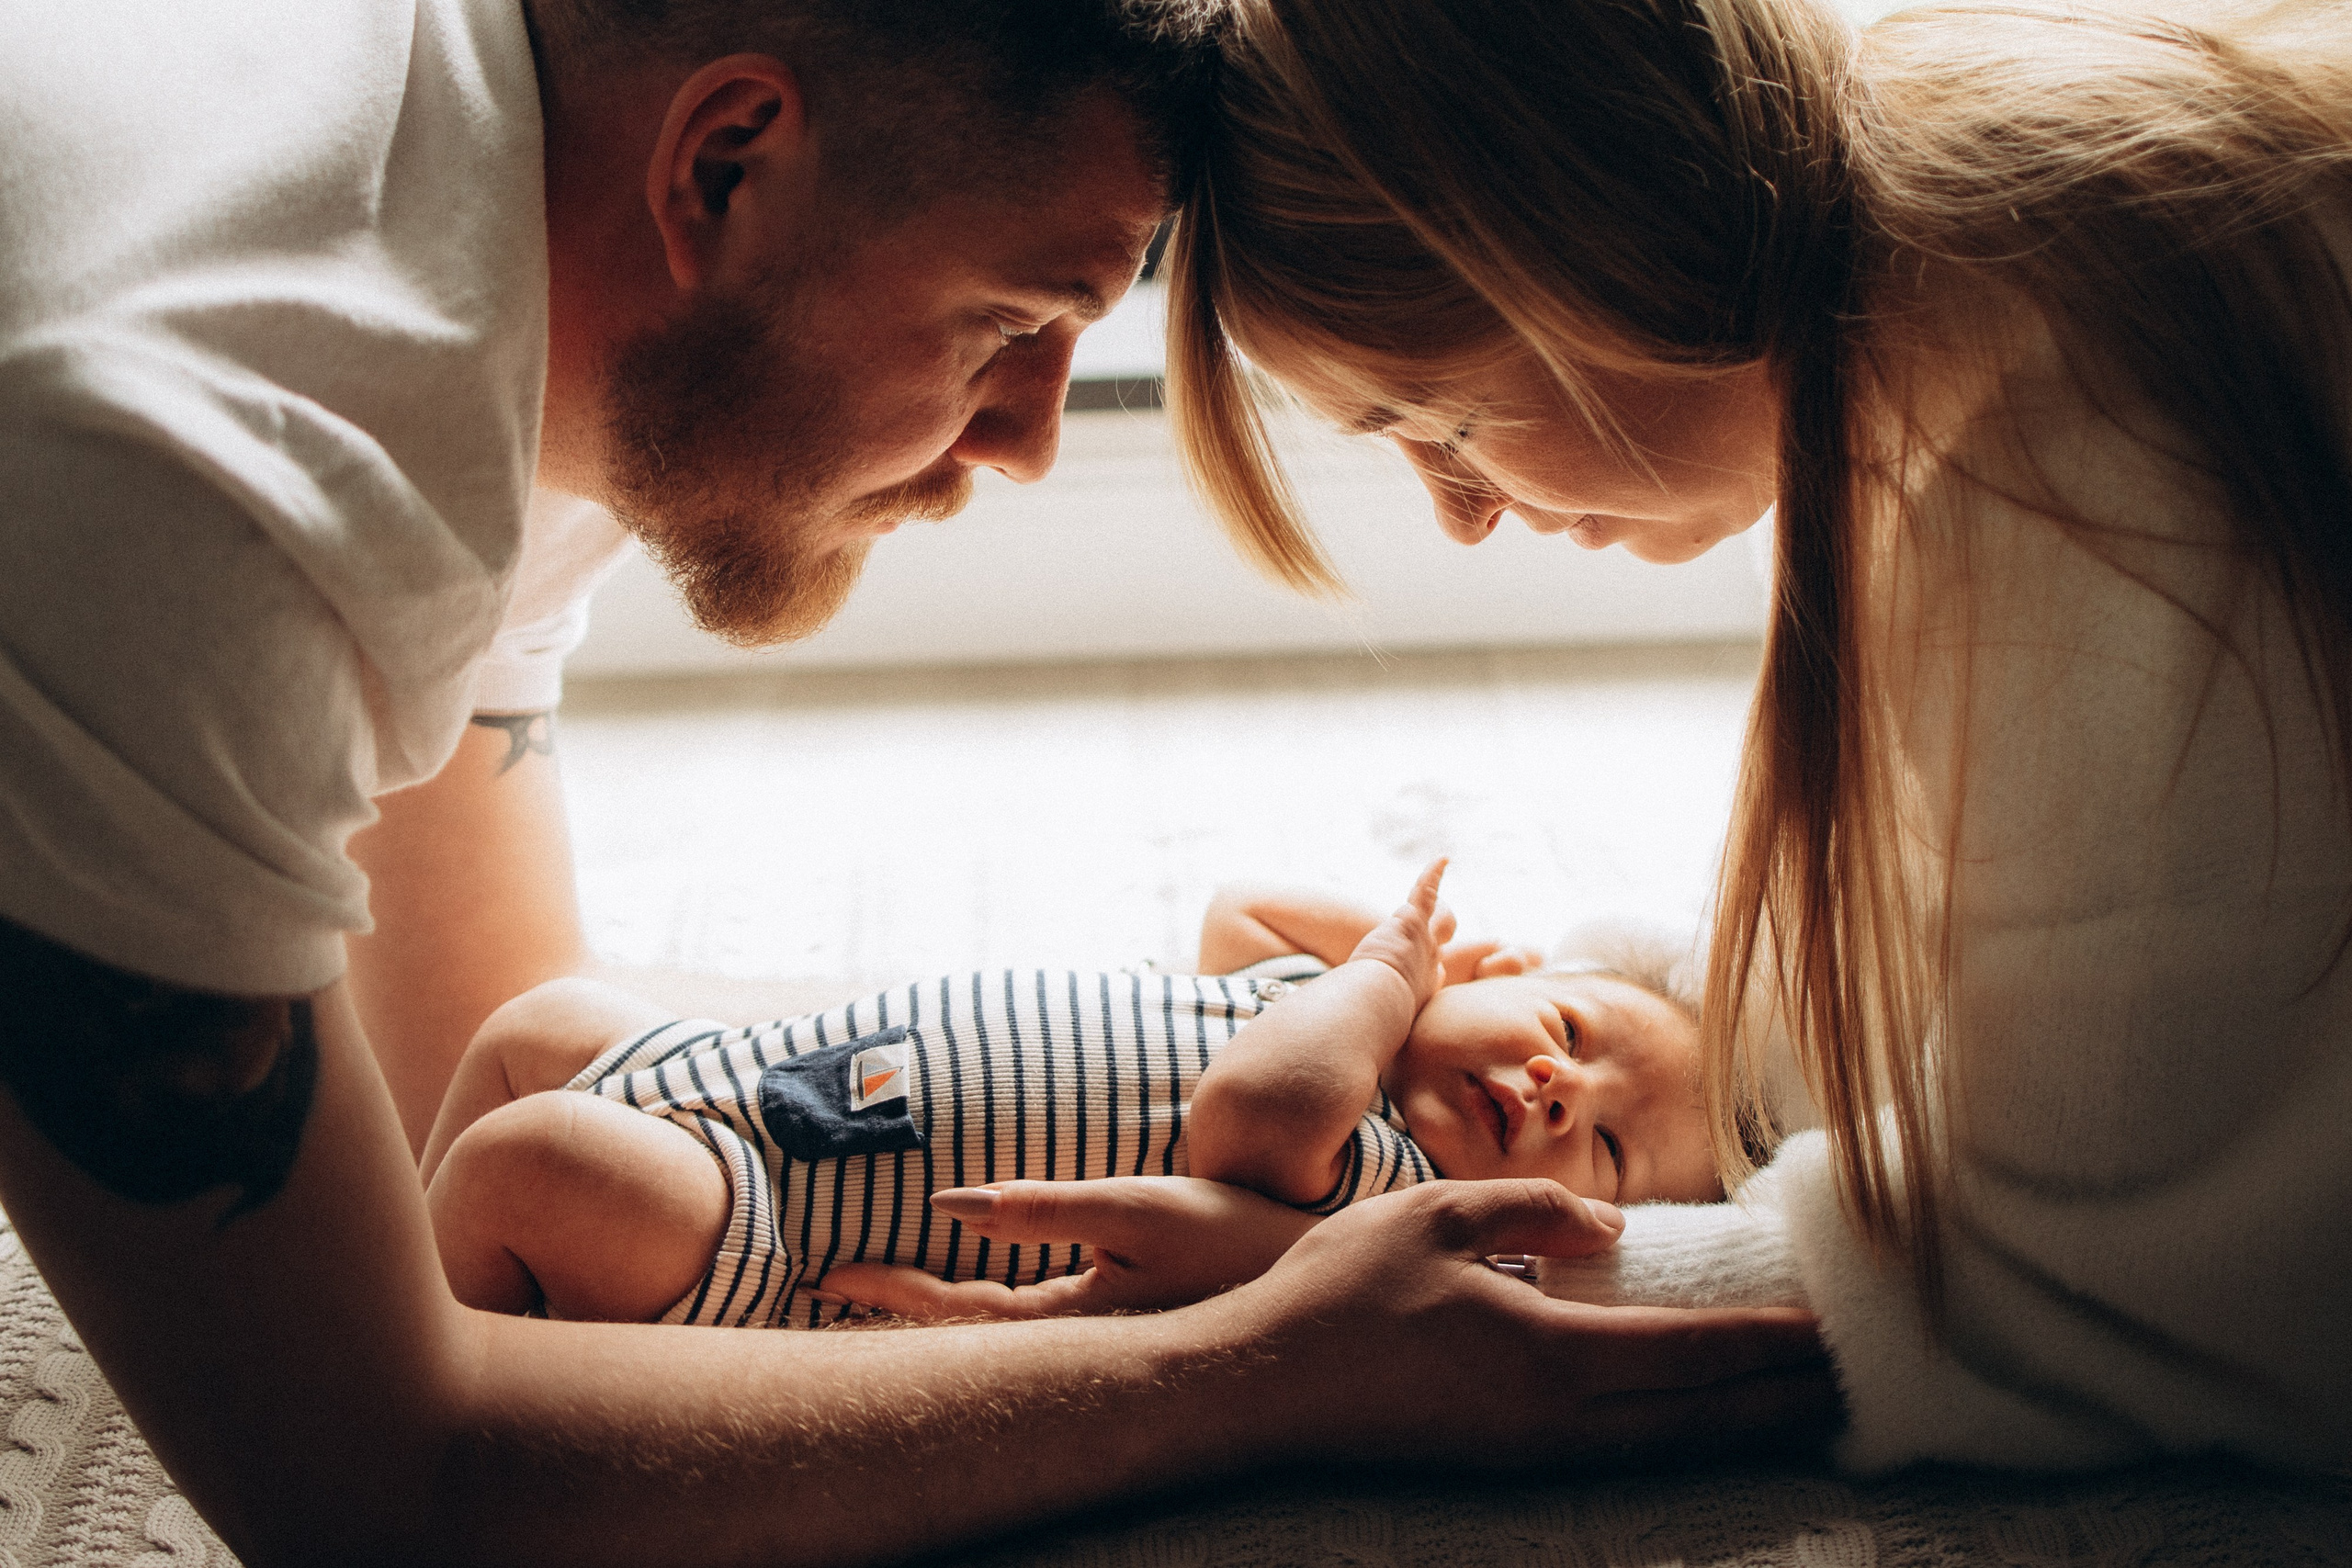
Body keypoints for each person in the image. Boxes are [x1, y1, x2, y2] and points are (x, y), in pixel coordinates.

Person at [0, 0, 1835, 1561]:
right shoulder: (196, 489)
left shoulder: (507, 267)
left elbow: (485, 1058)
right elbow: (381, 1478)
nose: (1034, 441)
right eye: (1014, 321)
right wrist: (1272, 1365)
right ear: (727, 165)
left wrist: (1075, 1080)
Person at [1110, 0, 2352, 1477]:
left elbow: (2127, 1297)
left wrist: (1418, 1273)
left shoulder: (2070, 488)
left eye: (1438, 418)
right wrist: (1672, 1031)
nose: (1464, 513)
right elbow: (2050, 979)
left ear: (1581, 251)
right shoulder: (1973, 242)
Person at [420, 862, 1721, 1327]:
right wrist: (1411, 961)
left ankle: (432, 1373)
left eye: (1606, 1144)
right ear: (1513, 970)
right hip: (768, 1072)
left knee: (529, 1161)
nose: (1560, 1089)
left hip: (763, 1223)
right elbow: (1241, 909)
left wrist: (1390, 972)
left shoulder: (1375, 1172)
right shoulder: (1312, 994)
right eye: (1568, 1029)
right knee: (538, 1025)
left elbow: (1252, 1118)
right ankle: (409, 1273)